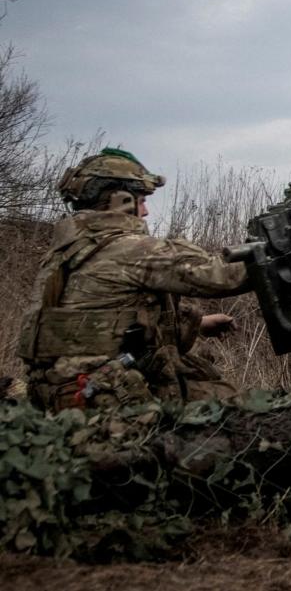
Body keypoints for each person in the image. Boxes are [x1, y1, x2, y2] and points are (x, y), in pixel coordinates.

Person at [18, 148, 251, 412]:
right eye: (141, 200)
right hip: (104, 395)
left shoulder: (65, 252)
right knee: (237, 413)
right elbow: (223, 276)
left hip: (60, 390)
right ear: (121, 200)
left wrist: (197, 323)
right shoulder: (126, 248)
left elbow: (97, 321)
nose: (146, 211)